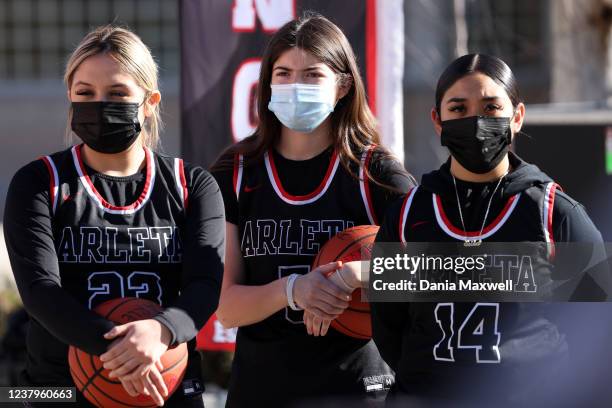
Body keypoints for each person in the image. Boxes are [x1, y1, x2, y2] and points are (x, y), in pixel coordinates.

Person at [370, 53, 610, 407]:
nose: (476, 122)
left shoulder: (552, 213)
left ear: (517, 117)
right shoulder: (409, 214)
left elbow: (598, 324)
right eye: (458, 109)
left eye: (490, 107)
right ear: (437, 121)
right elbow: (388, 327)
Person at [3, 25, 225, 407]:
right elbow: (40, 292)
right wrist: (125, 353)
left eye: (118, 92)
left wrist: (162, 331)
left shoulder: (194, 185)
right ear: (70, 99)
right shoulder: (38, 182)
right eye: (84, 93)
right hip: (55, 389)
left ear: (150, 101)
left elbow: (206, 285)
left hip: (166, 383)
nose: (99, 103)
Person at [210, 13, 416, 407]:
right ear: (267, 83)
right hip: (262, 391)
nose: (294, 85)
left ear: (342, 86)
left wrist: (353, 275)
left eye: (312, 75)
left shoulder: (375, 173)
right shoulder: (235, 174)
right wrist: (294, 290)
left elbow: (427, 268)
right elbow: (227, 308)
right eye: (283, 73)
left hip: (358, 389)